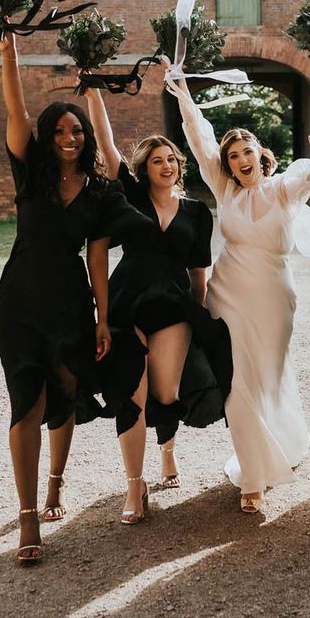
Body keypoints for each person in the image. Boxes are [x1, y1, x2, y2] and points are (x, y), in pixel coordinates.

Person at [0, 29, 137, 563]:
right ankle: (28, 516)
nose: (70, 137)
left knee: (67, 388)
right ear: (47, 134)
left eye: (77, 130)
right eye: (61, 130)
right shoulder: (29, 171)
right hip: (20, 303)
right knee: (26, 400)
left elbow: (98, 256)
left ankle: (56, 481)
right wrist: (10, 53)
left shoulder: (99, 191)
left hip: (72, 302)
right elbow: (16, 107)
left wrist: (102, 316)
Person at [168, 70, 310, 513]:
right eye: (234, 155)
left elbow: (309, 177)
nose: (241, 160)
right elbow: (202, 142)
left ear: (262, 157)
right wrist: (185, 96)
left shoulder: (282, 190)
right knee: (238, 386)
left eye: (248, 152)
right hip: (228, 298)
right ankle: (253, 477)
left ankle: (279, 444)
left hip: (275, 301)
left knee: (268, 381)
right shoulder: (224, 190)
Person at [85, 87, 231, 524]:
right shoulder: (129, 197)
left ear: (179, 165)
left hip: (173, 306)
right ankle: (135, 486)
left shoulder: (196, 213)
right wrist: (93, 90)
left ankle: (167, 448)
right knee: (133, 393)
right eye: (157, 160)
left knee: (165, 394)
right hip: (128, 300)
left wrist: (198, 316)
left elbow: (198, 271)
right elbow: (107, 145)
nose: (166, 165)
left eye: (171, 159)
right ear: (143, 169)